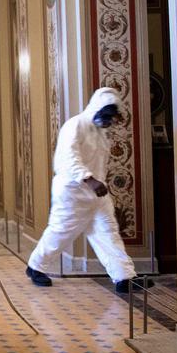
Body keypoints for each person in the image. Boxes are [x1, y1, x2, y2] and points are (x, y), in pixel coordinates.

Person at [25, 87, 138, 292]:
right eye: (105, 116)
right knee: (60, 232)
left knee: (108, 233)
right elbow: (69, 158)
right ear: (95, 109)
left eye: (111, 118)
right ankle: (35, 267)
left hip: (97, 195)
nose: (108, 121)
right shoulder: (75, 125)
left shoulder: (101, 132)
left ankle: (124, 277)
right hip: (72, 192)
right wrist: (89, 179)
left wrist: (96, 183)